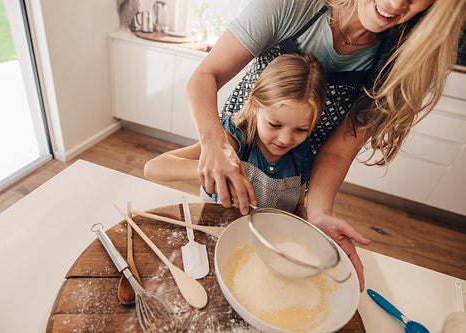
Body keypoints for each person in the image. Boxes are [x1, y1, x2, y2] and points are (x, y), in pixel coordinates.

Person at [185, 0, 466, 291]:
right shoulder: (292, 6)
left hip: (298, 172)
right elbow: (206, 76)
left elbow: (337, 150)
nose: (394, 3)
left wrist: (318, 214)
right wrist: (217, 147)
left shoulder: (399, 60)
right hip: (233, 146)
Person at [145, 53, 327, 217]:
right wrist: (215, 169)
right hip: (216, 233)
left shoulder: (302, 154)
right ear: (255, 105)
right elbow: (153, 168)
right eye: (275, 124)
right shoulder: (232, 140)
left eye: (301, 129)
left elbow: (300, 203)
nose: (286, 139)